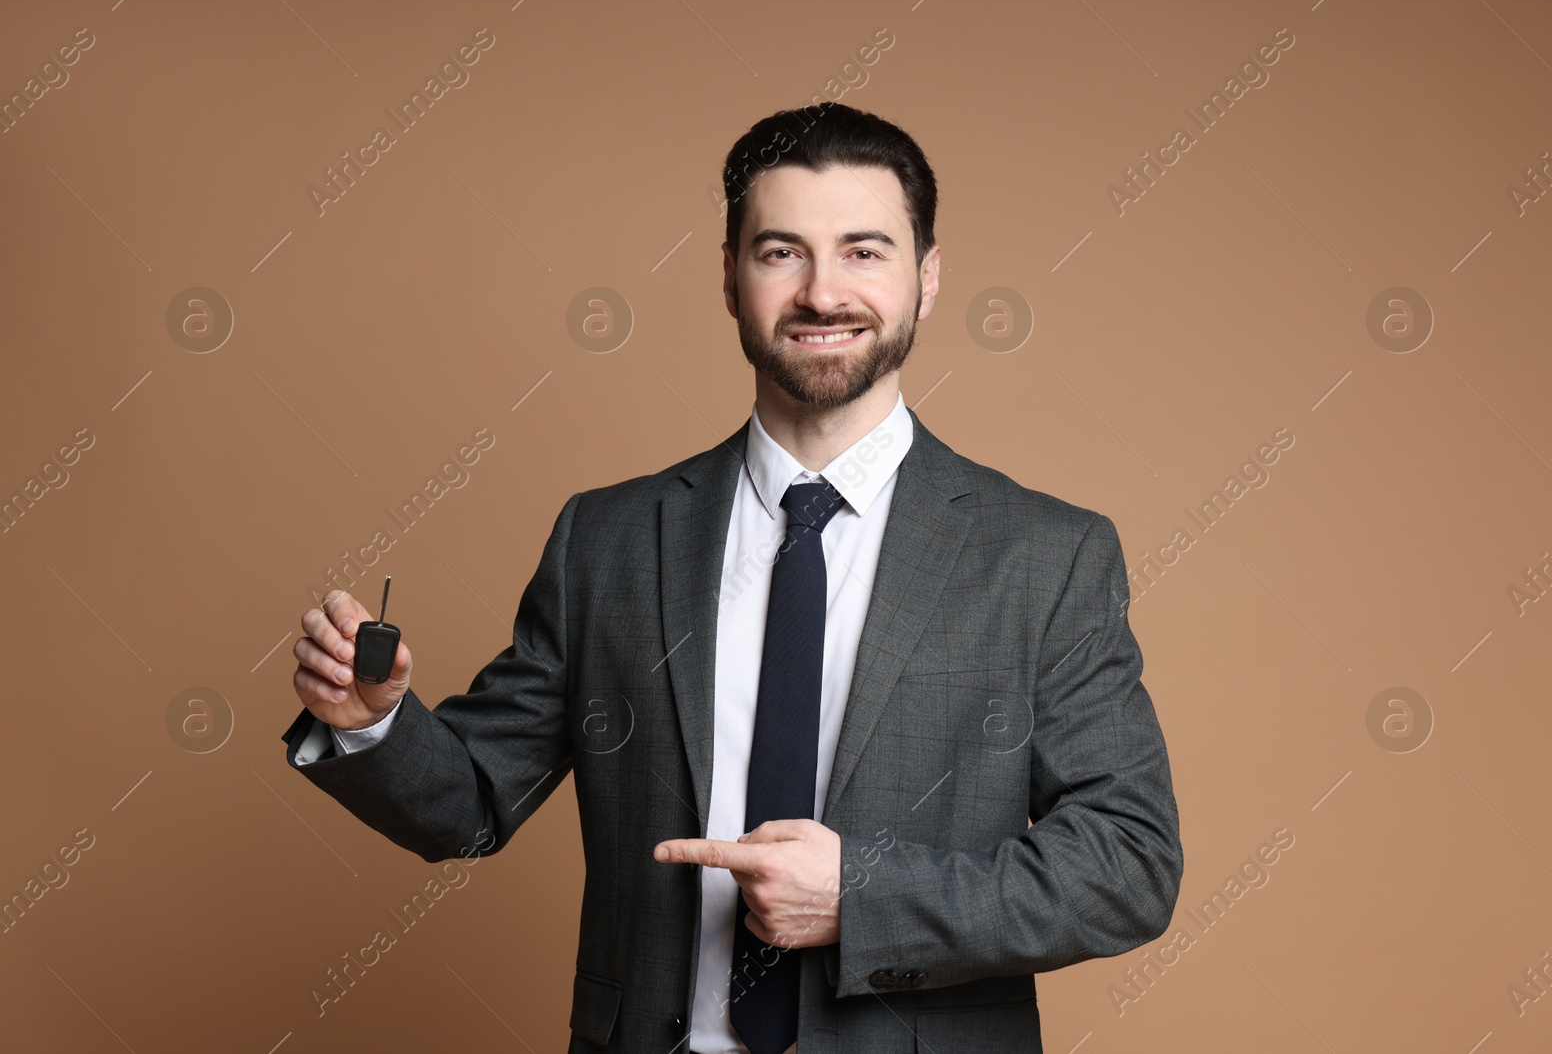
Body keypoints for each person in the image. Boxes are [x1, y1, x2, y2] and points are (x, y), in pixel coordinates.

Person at [282, 101, 1182, 1054]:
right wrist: (371, 720)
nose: (823, 293)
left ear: (927, 280)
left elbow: (1127, 864)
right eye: (782, 251)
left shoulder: (1046, 555)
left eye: (865, 252)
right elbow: (469, 804)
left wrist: (860, 898)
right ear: (729, 276)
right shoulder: (609, 539)